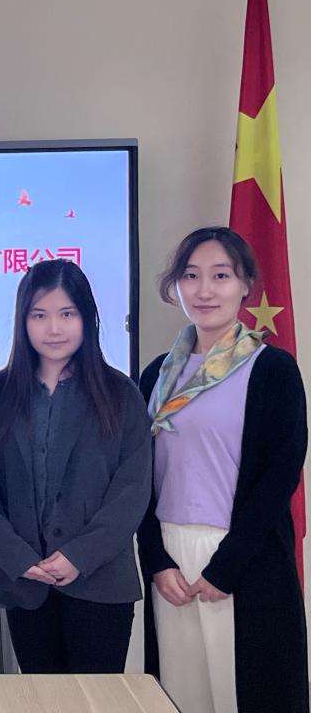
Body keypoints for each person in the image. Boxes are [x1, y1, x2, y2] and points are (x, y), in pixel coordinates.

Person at [138, 226, 308, 712]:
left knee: (248, 692)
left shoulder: (272, 369)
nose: (205, 290)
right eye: (191, 276)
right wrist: (157, 560)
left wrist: (226, 566)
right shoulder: (157, 374)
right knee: (179, 693)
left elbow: (279, 477)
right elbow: (137, 479)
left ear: (245, 285)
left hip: (242, 557)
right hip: (171, 560)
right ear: (176, 286)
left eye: (221, 276)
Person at [0, 259, 151, 673]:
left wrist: (79, 555)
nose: (54, 328)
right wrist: (18, 556)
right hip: (26, 582)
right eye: (39, 315)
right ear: (23, 322)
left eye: (67, 314)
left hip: (100, 582)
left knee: (94, 699)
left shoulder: (120, 393)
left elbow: (132, 488)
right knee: (40, 697)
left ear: (87, 318)